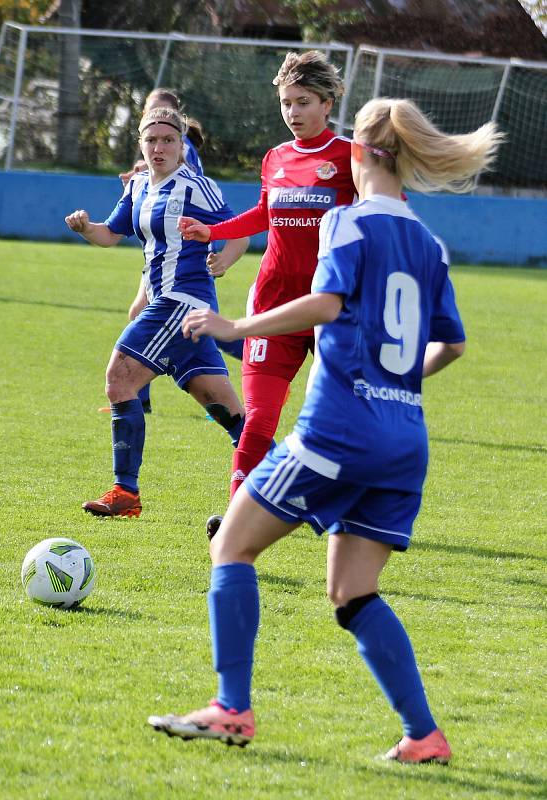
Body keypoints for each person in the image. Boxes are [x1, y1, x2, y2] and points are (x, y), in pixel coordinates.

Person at [148, 97, 503, 762]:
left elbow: (325, 303)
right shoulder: (428, 244)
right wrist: (394, 386)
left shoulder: (346, 222)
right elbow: (450, 344)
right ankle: (423, 735)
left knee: (230, 546)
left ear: (360, 153)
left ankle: (230, 709)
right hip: (404, 442)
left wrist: (236, 326)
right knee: (351, 592)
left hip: (340, 431)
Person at [178, 51, 357, 534]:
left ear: (327, 101)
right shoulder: (276, 158)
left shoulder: (351, 158)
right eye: (285, 104)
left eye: (303, 102)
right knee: (258, 419)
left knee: (334, 421)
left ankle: (334, 507)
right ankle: (237, 518)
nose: (293, 113)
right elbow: (264, 214)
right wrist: (210, 232)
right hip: (272, 306)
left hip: (333, 308)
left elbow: (386, 212)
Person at [65, 106, 249, 518]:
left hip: (182, 303)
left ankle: (125, 493)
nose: (159, 147)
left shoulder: (196, 186)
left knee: (119, 377)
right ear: (141, 145)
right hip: (176, 308)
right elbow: (110, 235)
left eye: (168, 140)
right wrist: (84, 227)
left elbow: (240, 229)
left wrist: (225, 260)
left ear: (182, 145)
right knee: (231, 416)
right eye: (151, 140)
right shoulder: (138, 187)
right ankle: (300, 492)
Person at [112, 88, 243, 417]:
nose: (159, 140)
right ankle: (137, 398)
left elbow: (207, 208)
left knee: (128, 361)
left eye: (162, 116)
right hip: (161, 257)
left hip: (185, 262)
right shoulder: (147, 166)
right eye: (149, 113)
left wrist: (220, 253)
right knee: (193, 332)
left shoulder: (184, 163)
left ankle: (260, 352)